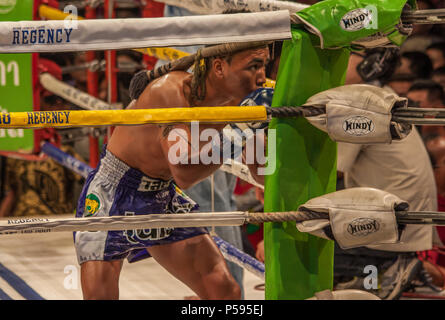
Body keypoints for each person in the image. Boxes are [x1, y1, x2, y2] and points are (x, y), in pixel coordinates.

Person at [74, 41, 270, 299]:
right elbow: (185, 174)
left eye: (264, 66)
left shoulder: (245, 102)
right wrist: (241, 130)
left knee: (224, 292)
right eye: (253, 66)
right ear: (220, 67)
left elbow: (262, 175)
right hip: (113, 192)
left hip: (161, 195)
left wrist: (268, 128)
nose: (262, 77)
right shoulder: (171, 91)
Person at [334, 48, 438, 300]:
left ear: (366, 64)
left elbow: (332, 172)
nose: (333, 61)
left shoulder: (362, 101)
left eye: (345, 54)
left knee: (304, 236)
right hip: (401, 218)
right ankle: (387, 270)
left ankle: (383, 272)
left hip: (389, 223)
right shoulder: (378, 96)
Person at [0, 58, 84, 217]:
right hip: (20, 224)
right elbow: (11, 193)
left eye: (62, 100)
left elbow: (89, 181)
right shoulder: (13, 148)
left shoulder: (64, 149)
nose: (58, 106)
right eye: (51, 100)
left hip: (57, 223)